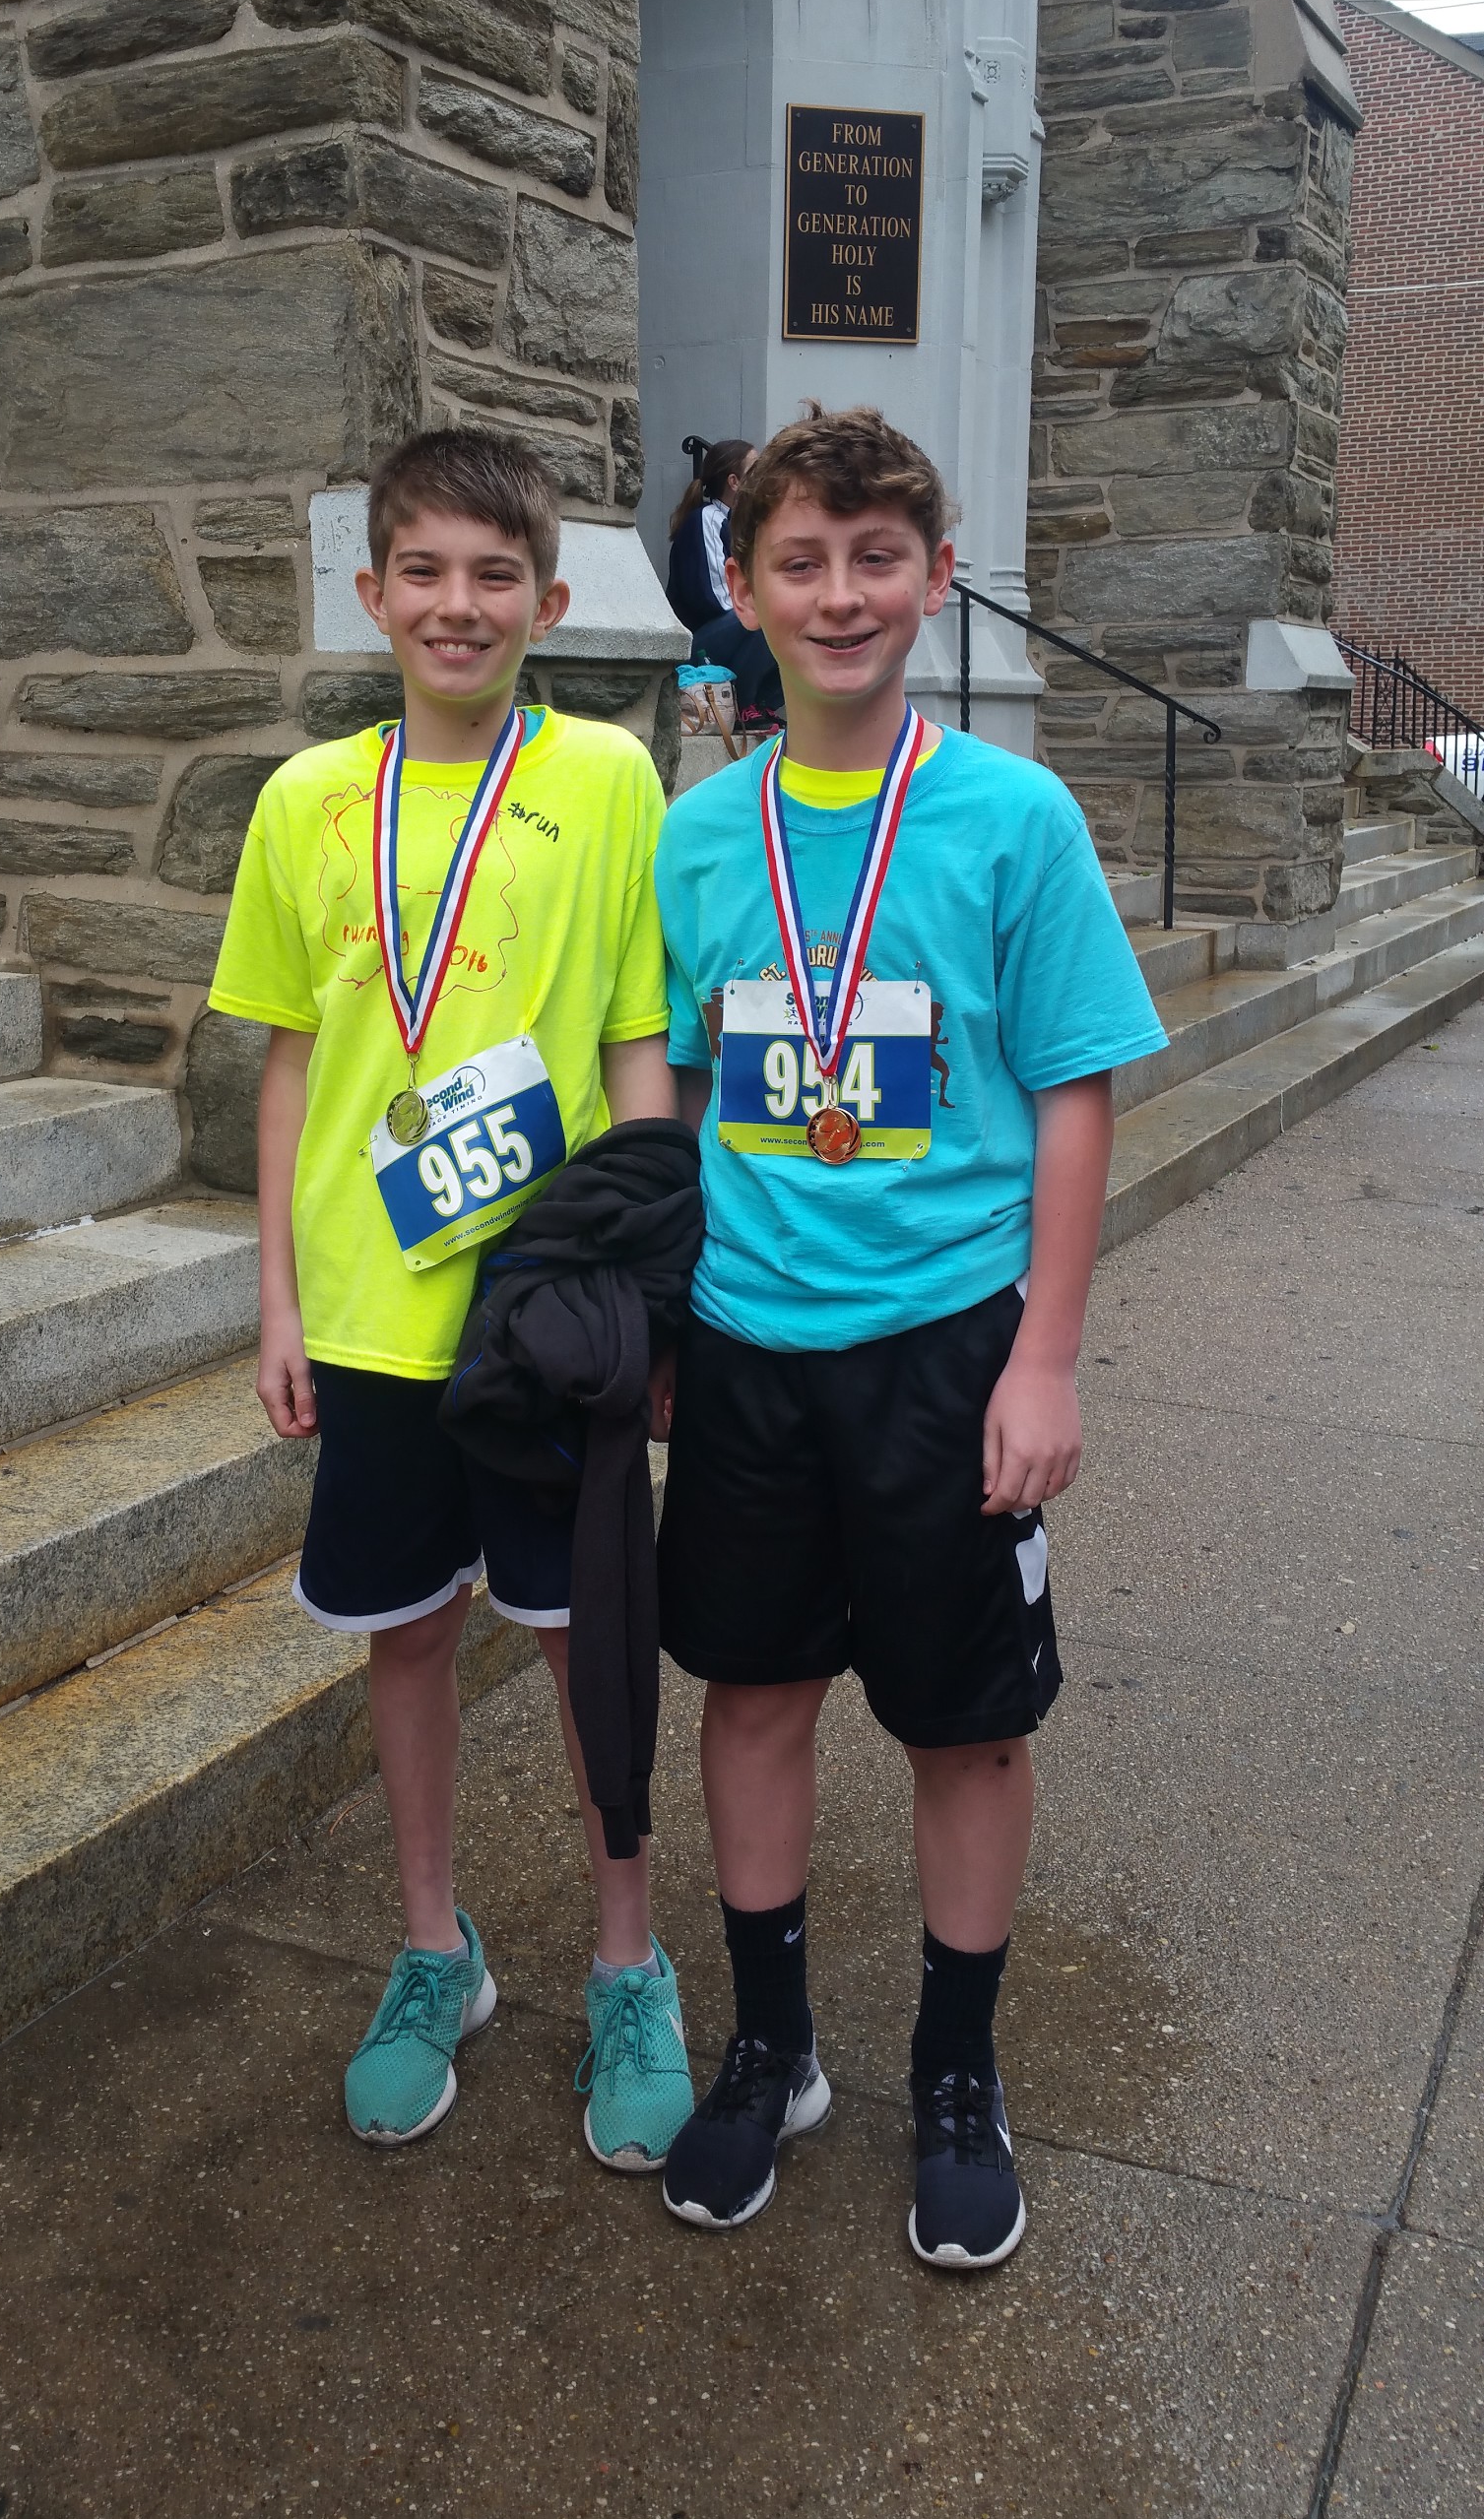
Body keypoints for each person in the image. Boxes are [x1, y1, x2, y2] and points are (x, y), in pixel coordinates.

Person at [652, 404, 1167, 2263]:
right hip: (748, 1344)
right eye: (800, 559)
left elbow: (1076, 1089)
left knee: (965, 1725)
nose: (840, 592)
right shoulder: (697, 837)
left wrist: (1045, 1356)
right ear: (742, 587)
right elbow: (678, 1090)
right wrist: (661, 1325)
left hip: (948, 1347)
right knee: (753, 1694)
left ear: (936, 577)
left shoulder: (1014, 820)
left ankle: (958, 2070)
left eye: (877, 557)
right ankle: (772, 2044)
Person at [208, 427, 695, 2175]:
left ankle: (628, 1961)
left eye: (495, 574)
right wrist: (276, 1301)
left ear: (548, 602)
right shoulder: (304, 801)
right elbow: (288, 1069)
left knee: (583, 1641)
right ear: (372, 593)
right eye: (423, 570)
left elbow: (637, 1044)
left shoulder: (609, 779)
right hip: (368, 1314)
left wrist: (653, 1299)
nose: (458, 604)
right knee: (405, 1632)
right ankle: (436, 1948)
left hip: (547, 1309)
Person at [667, 435, 783, 726]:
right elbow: (714, 598)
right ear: (734, 481)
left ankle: (762, 704)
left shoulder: (745, 525)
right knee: (766, 612)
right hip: (699, 641)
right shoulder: (707, 519)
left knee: (794, 612)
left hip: (732, 631)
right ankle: (745, 704)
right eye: (755, 469)